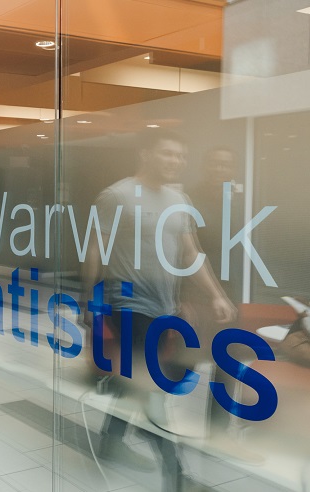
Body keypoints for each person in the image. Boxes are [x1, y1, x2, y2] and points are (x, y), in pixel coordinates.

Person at [81, 130, 236, 491]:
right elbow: (95, 248)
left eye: (180, 156)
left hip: (164, 308)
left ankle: (109, 444)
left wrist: (215, 294)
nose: (175, 161)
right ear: (146, 154)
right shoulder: (116, 195)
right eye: (168, 153)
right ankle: (176, 474)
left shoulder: (179, 198)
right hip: (129, 304)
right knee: (152, 387)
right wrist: (89, 300)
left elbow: (189, 253)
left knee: (136, 382)